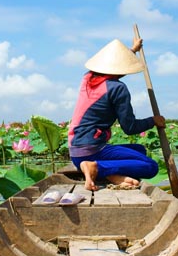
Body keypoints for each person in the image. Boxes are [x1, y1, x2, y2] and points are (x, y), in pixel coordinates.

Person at [67, 37, 165, 191]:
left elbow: (114, 67)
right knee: (150, 166)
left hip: (75, 152)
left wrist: (132, 50)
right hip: (92, 151)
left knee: (139, 150)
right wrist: (153, 120)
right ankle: (97, 168)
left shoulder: (87, 78)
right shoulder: (118, 88)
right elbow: (130, 127)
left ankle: (109, 174)